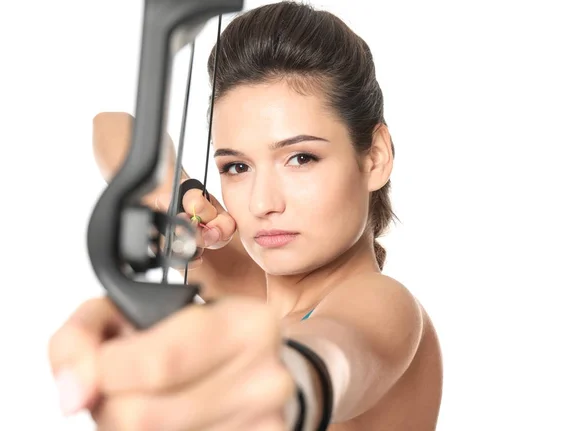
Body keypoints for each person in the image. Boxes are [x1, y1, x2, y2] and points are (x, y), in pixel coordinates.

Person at [49, 2, 443, 430]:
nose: (261, 203)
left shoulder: (385, 305)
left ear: (376, 158)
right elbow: (111, 128)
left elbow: (331, 358)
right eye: (236, 167)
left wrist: (278, 378)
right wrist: (181, 195)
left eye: (301, 158)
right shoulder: (245, 285)